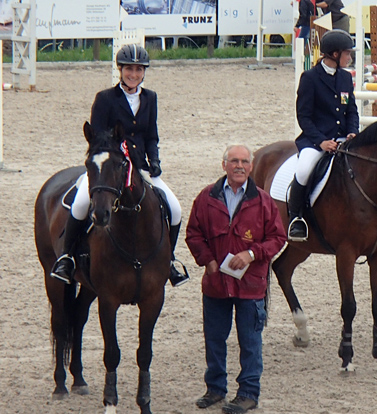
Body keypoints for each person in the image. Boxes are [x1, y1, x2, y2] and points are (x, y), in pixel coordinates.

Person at [49, 44, 190, 288]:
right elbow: (97, 138)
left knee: (175, 209)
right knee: (82, 203)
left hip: (140, 168)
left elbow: (151, 136)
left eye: (138, 70)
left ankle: (169, 261)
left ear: (143, 72)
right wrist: (112, 157)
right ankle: (67, 258)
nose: (133, 74)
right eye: (128, 69)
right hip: (108, 167)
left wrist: (154, 160)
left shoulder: (150, 98)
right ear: (120, 70)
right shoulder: (105, 99)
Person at [186, 144, 286, 413]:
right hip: (216, 284)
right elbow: (193, 234)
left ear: (251, 167)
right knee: (214, 340)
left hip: (251, 286)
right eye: (234, 161)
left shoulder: (264, 201)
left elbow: (278, 238)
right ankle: (215, 389)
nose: (239, 166)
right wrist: (207, 260)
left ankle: (248, 393)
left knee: (250, 343)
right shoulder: (206, 198)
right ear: (224, 165)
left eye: (244, 161)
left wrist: (252, 254)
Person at [289, 29, 359, 241]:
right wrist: (321, 142)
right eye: (347, 53)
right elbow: (304, 117)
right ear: (335, 55)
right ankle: (296, 218)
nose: (350, 57)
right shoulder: (310, 78)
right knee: (303, 170)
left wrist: (353, 132)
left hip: (342, 139)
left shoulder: (346, 78)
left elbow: (352, 110)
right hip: (315, 141)